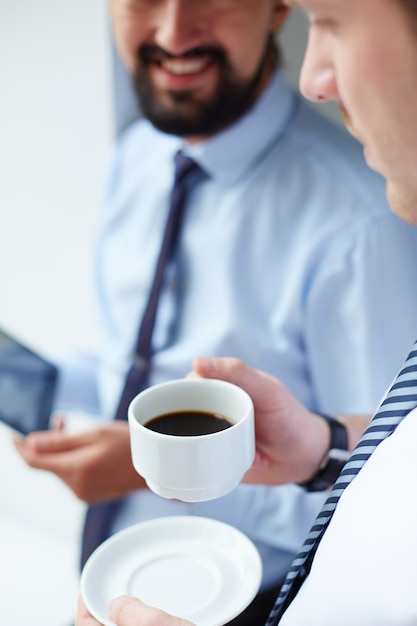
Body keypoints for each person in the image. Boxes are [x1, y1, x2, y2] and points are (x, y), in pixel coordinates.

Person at [15, 0, 417, 623]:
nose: (176, 31)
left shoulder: (366, 224)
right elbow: (128, 362)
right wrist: (35, 385)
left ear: (279, 9)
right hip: (119, 578)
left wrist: (154, 467)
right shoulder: (136, 158)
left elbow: (383, 511)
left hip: (242, 605)